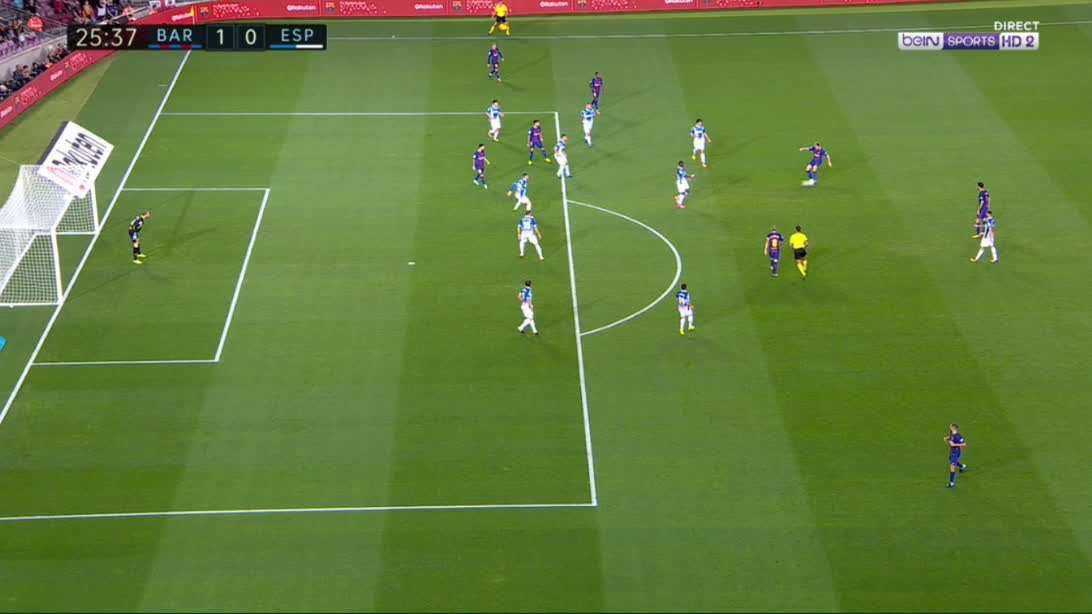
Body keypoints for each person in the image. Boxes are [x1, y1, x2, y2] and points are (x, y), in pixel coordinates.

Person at [943, 423, 968, 488]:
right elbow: (951, 437)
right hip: (952, 452)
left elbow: (964, 444)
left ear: (953, 428)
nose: (949, 427)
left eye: (950, 426)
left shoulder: (958, 436)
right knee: (954, 463)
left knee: (952, 467)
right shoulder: (952, 433)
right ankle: (962, 466)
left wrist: (954, 444)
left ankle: (951, 483)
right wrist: (947, 438)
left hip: (956, 452)